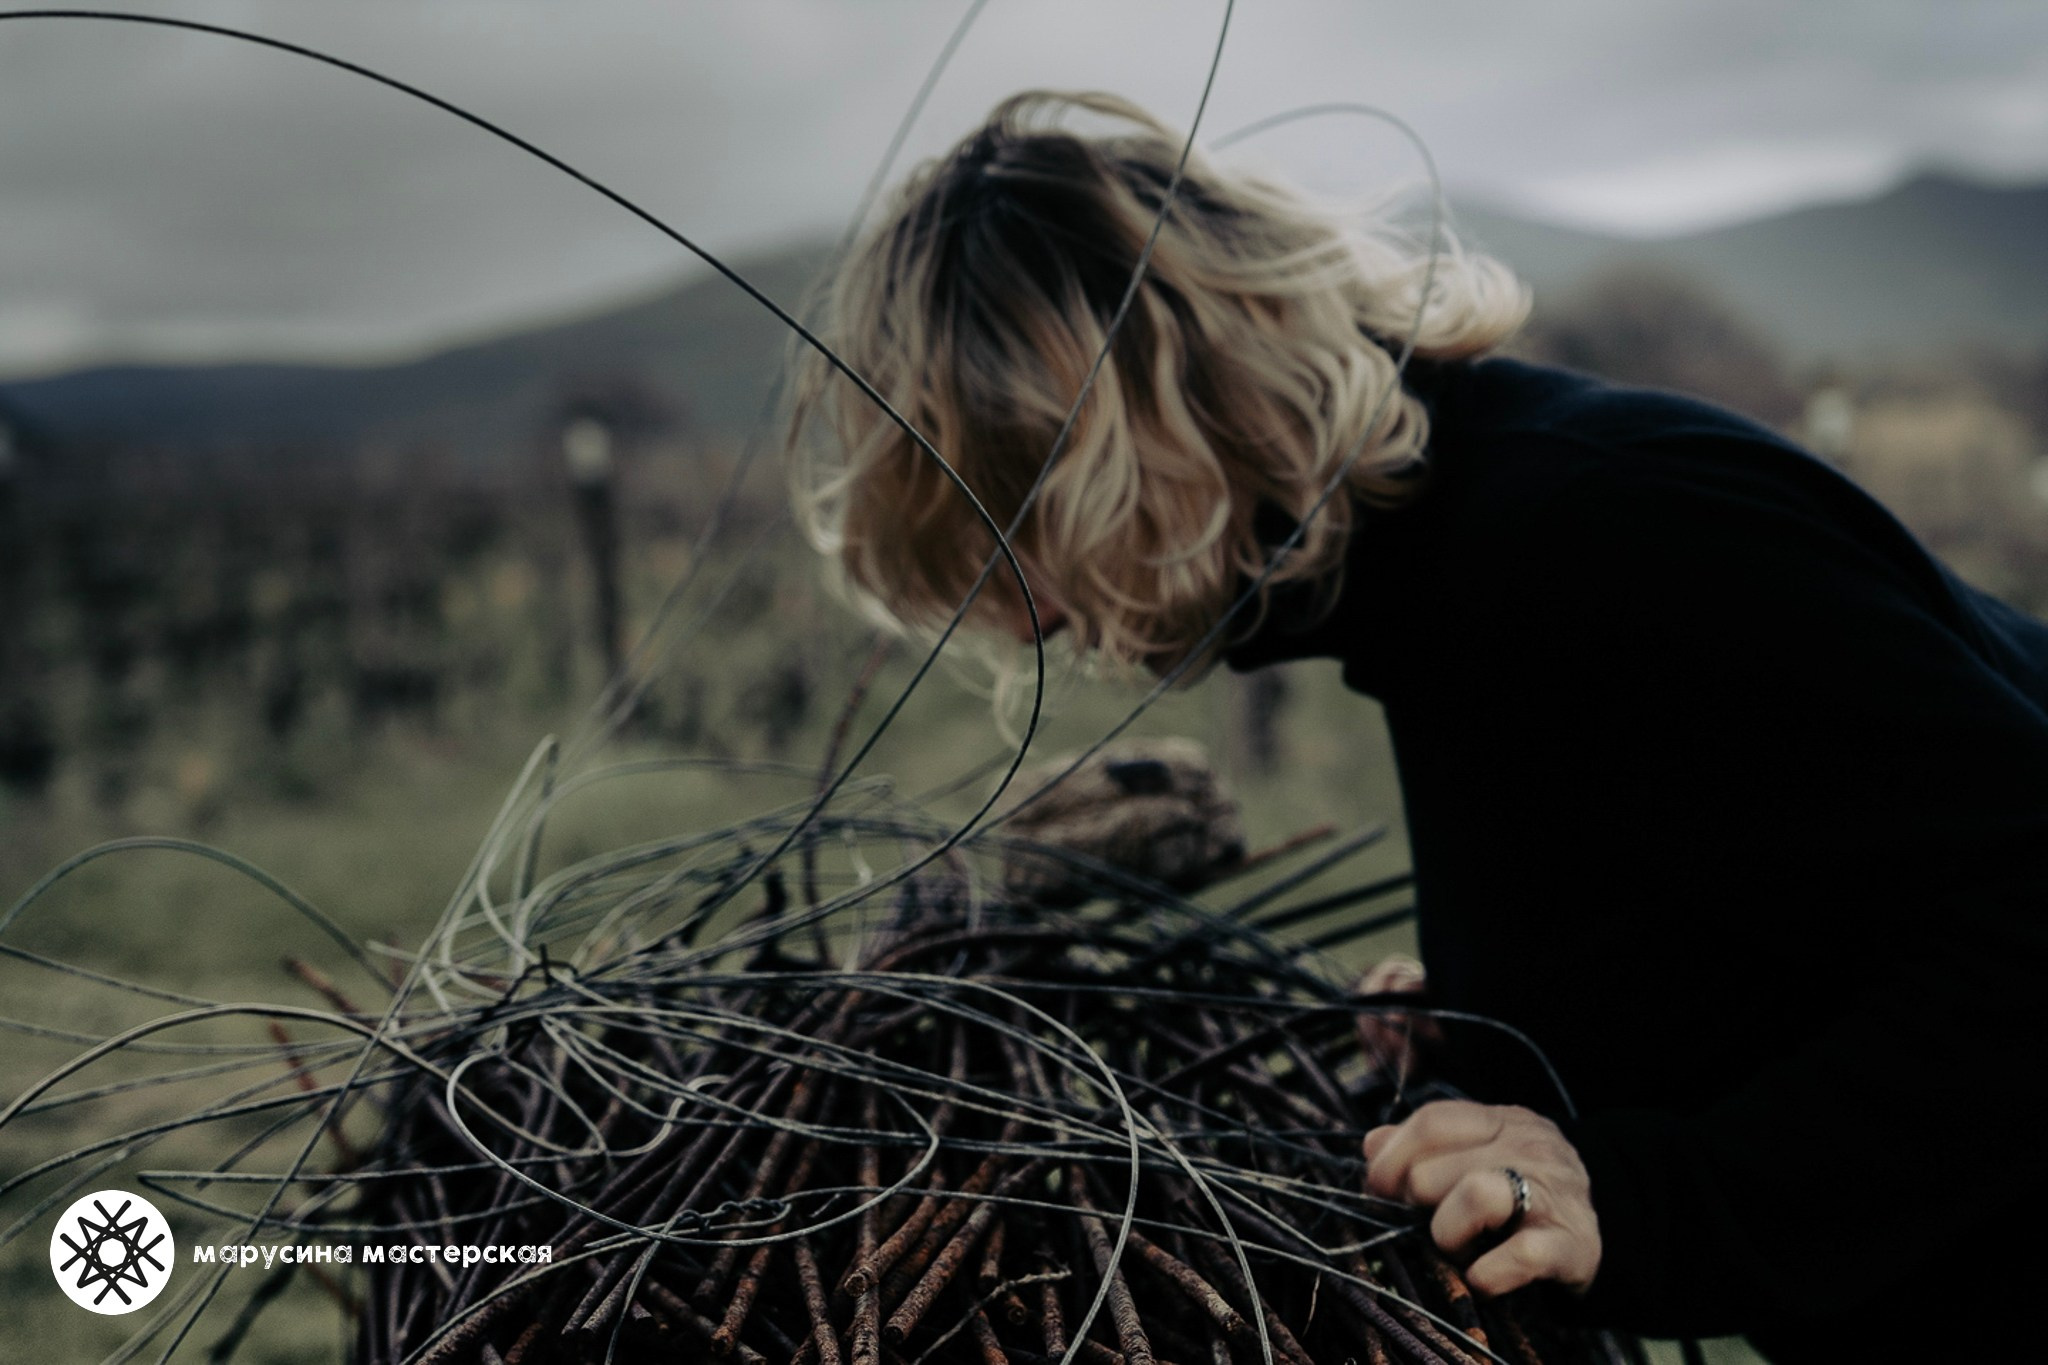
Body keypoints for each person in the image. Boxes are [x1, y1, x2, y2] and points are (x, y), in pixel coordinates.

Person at [786, 90, 2048, 1362]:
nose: (1039, 618)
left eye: (1015, 535)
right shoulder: (1439, 592)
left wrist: (1651, 1202)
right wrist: (1512, 1008)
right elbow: (1795, 877)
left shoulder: (1604, 530)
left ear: (1134, 436)